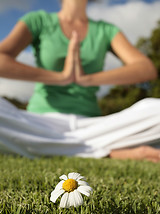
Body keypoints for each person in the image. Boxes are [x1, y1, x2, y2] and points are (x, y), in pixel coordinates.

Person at [0, 0, 160, 162]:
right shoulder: (37, 21)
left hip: (94, 127)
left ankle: (54, 146)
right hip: (38, 124)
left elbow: (145, 68)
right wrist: (61, 78)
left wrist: (87, 79)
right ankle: (105, 151)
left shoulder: (106, 30)